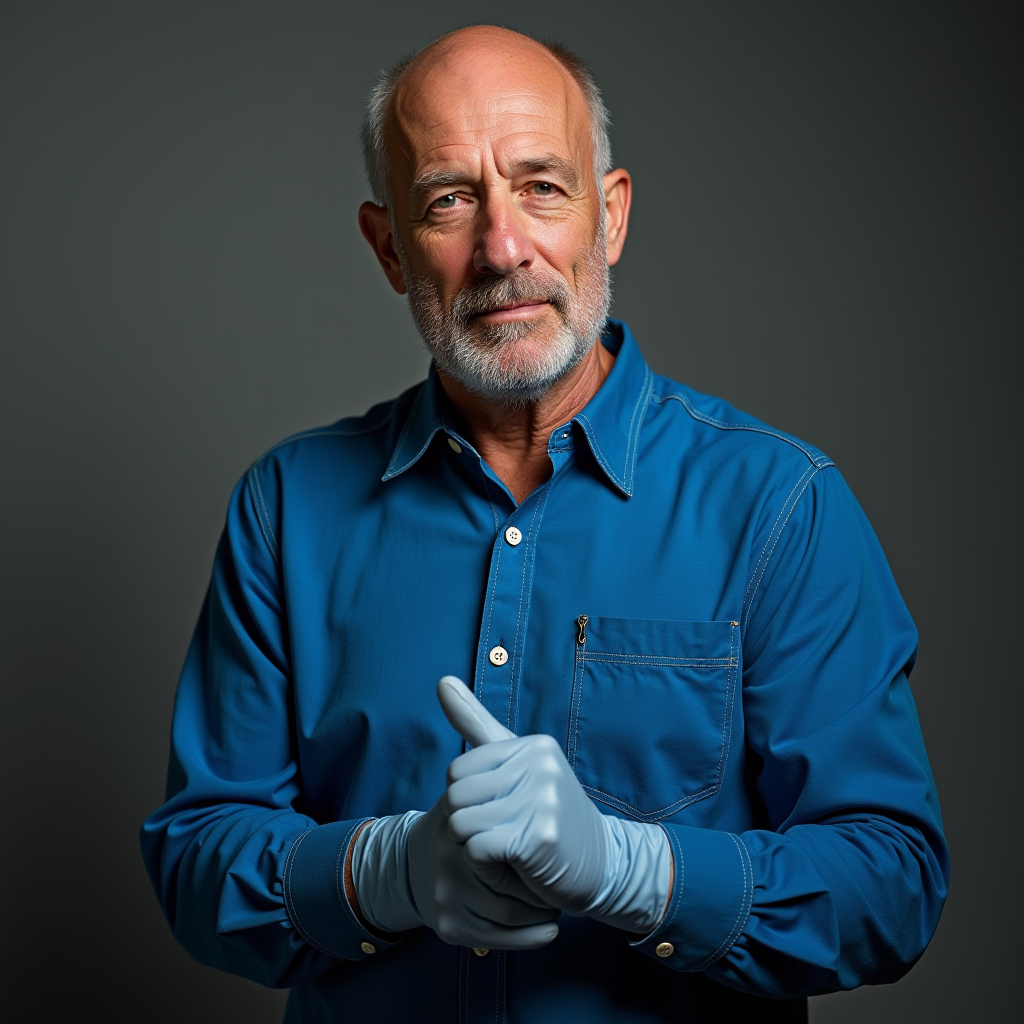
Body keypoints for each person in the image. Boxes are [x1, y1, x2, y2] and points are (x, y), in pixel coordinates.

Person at [141, 25, 949, 1024]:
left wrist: (633, 869)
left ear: (608, 217)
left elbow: (893, 882)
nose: (501, 248)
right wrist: (380, 872)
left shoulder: (780, 506)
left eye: (541, 186)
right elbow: (195, 855)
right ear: (390, 245)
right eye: (448, 197)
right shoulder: (286, 509)